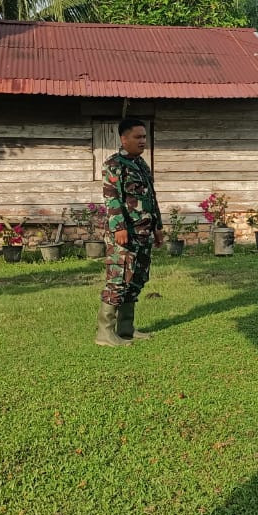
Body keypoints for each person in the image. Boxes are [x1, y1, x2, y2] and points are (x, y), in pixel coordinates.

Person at [96, 117, 164, 346]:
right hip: (124, 233)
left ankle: (126, 328)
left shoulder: (142, 165)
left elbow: (151, 198)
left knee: (136, 279)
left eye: (144, 137)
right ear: (124, 139)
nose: (143, 141)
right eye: (138, 137)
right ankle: (105, 333)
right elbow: (111, 197)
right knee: (118, 277)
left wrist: (158, 227)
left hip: (143, 233)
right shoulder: (114, 164)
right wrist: (119, 227)